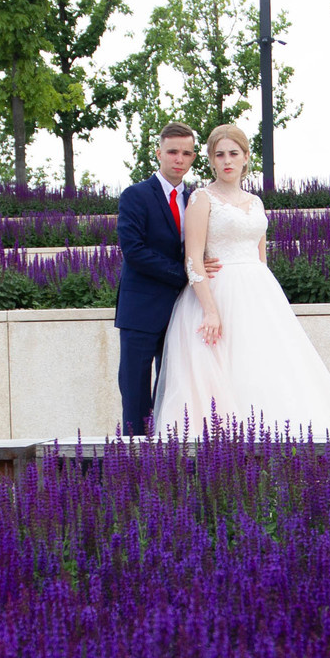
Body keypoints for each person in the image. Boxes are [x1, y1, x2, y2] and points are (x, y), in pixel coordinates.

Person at [152, 122, 330, 437]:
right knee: (224, 373)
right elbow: (193, 259)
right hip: (218, 293)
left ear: (246, 157)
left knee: (265, 369)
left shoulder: (256, 202)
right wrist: (210, 310)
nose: (227, 161)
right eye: (219, 155)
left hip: (258, 295)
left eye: (234, 153)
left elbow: (261, 257)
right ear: (211, 160)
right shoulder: (202, 199)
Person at [113, 123, 220, 436]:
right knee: (135, 393)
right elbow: (134, 251)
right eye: (172, 151)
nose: (179, 159)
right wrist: (187, 272)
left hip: (182, 310)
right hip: (141, 312)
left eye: (186, 153)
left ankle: (165, 461)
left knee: (173, 389)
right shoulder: (135, 196)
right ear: (158, 153)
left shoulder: (198, 200)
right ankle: (133, 463)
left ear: (193, 158)